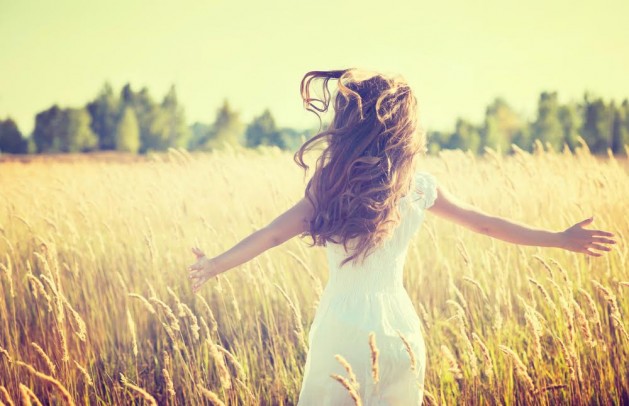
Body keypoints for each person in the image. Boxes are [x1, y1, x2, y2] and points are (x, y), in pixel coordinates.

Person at [187, 68, 616, 405]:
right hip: (402, 335)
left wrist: (214, 265)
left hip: (343, 332)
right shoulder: (417, 186)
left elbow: (271, 235)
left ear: (352, 126)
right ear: (402, 129)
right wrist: (560, 238)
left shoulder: (331, 186)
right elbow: (484, 223)